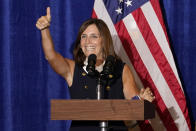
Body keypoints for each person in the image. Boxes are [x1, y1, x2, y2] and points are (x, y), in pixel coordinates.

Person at [36, 7, 155, 131]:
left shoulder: (121, 69)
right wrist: (45, 29)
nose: (88, 41)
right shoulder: (72, 69)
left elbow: (133, 111)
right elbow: (50, 56)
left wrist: (142, 101)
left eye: (94, 36)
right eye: (84, 36)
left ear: (103, 40)